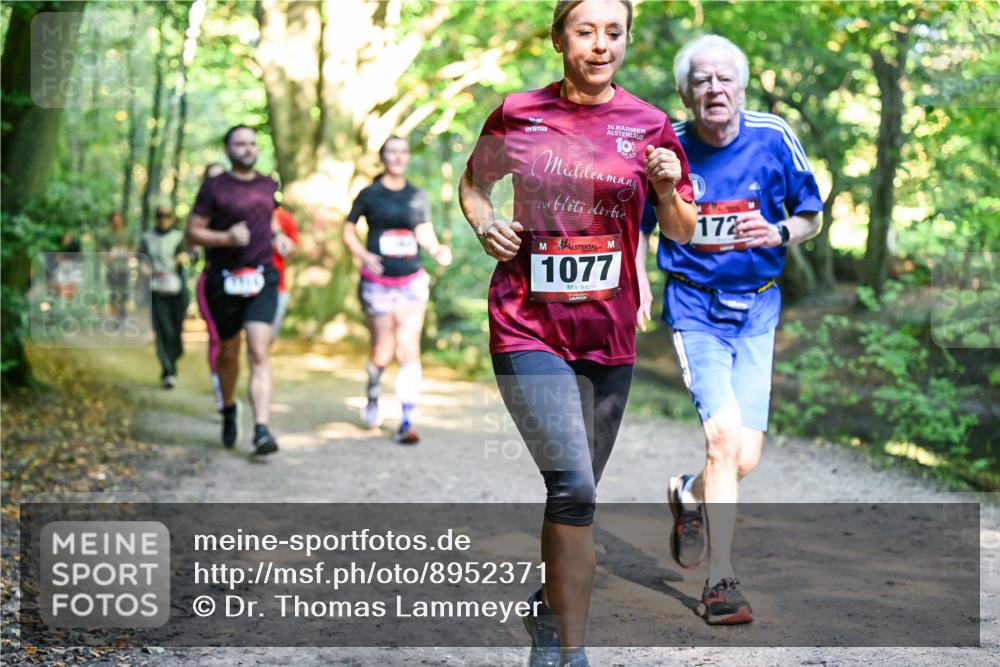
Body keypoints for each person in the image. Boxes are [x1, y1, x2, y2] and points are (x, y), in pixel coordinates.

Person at [459, 2, 695, 664]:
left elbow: (682, 229)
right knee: (574, 487)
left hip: (608, 334)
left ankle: (546, 612)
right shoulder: (518, 113)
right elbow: (474, 184)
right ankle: (572, 652)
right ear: (559, 39)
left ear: (626, 39)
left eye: (613, 32)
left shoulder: (649, 125)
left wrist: (668, 190)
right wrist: (484, 223)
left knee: (575, 496)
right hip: (526, 323)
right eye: (585, 31)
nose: (600, 45)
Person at [638, 34, 823, 625]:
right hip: (695, 309)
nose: (714, 89)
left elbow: (812, 216)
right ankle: (721, 582)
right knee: (721, 440)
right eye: (702, 80)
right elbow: (641, 223)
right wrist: (640, 280)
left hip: (758, 310)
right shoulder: (667, 144)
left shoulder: (774, 136)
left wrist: (780, 232)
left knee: (743, 457)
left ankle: (688, 494)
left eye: (724, 79)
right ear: (685, 94)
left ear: (741, 88)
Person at [187, 125, 294, 455]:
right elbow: (193, 231)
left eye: (252, 143)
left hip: (262, 277)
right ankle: (229, 407)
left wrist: (278, 236)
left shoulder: (267, 184)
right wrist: (226, 238)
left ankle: (261, 429)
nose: (247, 149)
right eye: (240, 144)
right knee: (229, 352)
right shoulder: (214, 187)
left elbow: (269, 219)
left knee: (259, 351)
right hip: (223, 280)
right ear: (228, 149)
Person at [344, 135, 452, 444]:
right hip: (377, 281)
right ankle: (373, 394)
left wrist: (435, 249)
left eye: (403, 152)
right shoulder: (369, 194)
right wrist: (363, 255)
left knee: (408, 348)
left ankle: (407, 419)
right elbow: (348, 230)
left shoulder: (417, 195)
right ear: (382, 157)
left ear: (407, 157)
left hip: (411, 280)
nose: (398, 157)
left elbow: (423, 230)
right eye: (392, 152)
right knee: (383, 351)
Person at [139, 205, 192, 388]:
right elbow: (139, 257)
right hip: (156, 290)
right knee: (163, 330)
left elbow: (193, 254)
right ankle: (168, 370)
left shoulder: (179, 237)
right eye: (160, 216)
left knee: (175, 331)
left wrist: (184, 257)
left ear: (172, 218)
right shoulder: (147, 238)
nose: (163, 219)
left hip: (177, 290)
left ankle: (174, 357)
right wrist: (144, 267)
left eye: (167, 216)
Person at [271, 204, 300, 339]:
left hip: (277, 285)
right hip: (246, 280)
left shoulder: (283, 216)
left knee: (269, 335)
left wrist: (281, 242)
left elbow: (296, 249)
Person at [101, 210, 132, 329]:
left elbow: (134, 247)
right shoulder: (106, 235)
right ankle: (115, 319)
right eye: (114, 220)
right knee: (113, 294)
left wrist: (129, 253)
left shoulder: (127, 233)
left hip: (124, 268)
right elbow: (101, 250)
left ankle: (122, 314)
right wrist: (107, 256)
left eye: (119, 220)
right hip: (112, 269)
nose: (117, 222)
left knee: (124, 293)